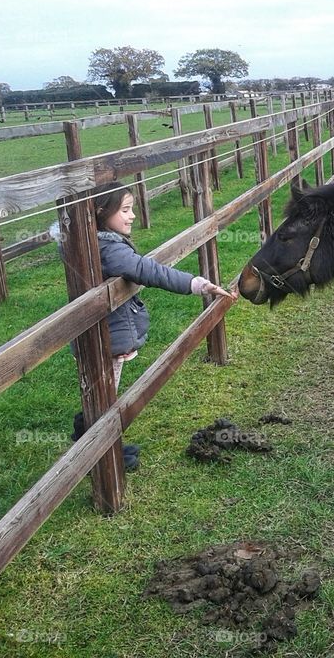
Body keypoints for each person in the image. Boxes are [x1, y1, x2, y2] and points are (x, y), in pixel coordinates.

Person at [66, 181, 237, 470]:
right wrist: (197, 284)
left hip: (105, 334)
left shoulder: (92, 241)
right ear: (101, 211)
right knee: (104, 399)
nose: (132, 216)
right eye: (125, 210)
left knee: (103, 395)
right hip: (107, 338)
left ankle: (97, 441)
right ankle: (105, 457)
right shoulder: (108, 248)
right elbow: (148, 270)